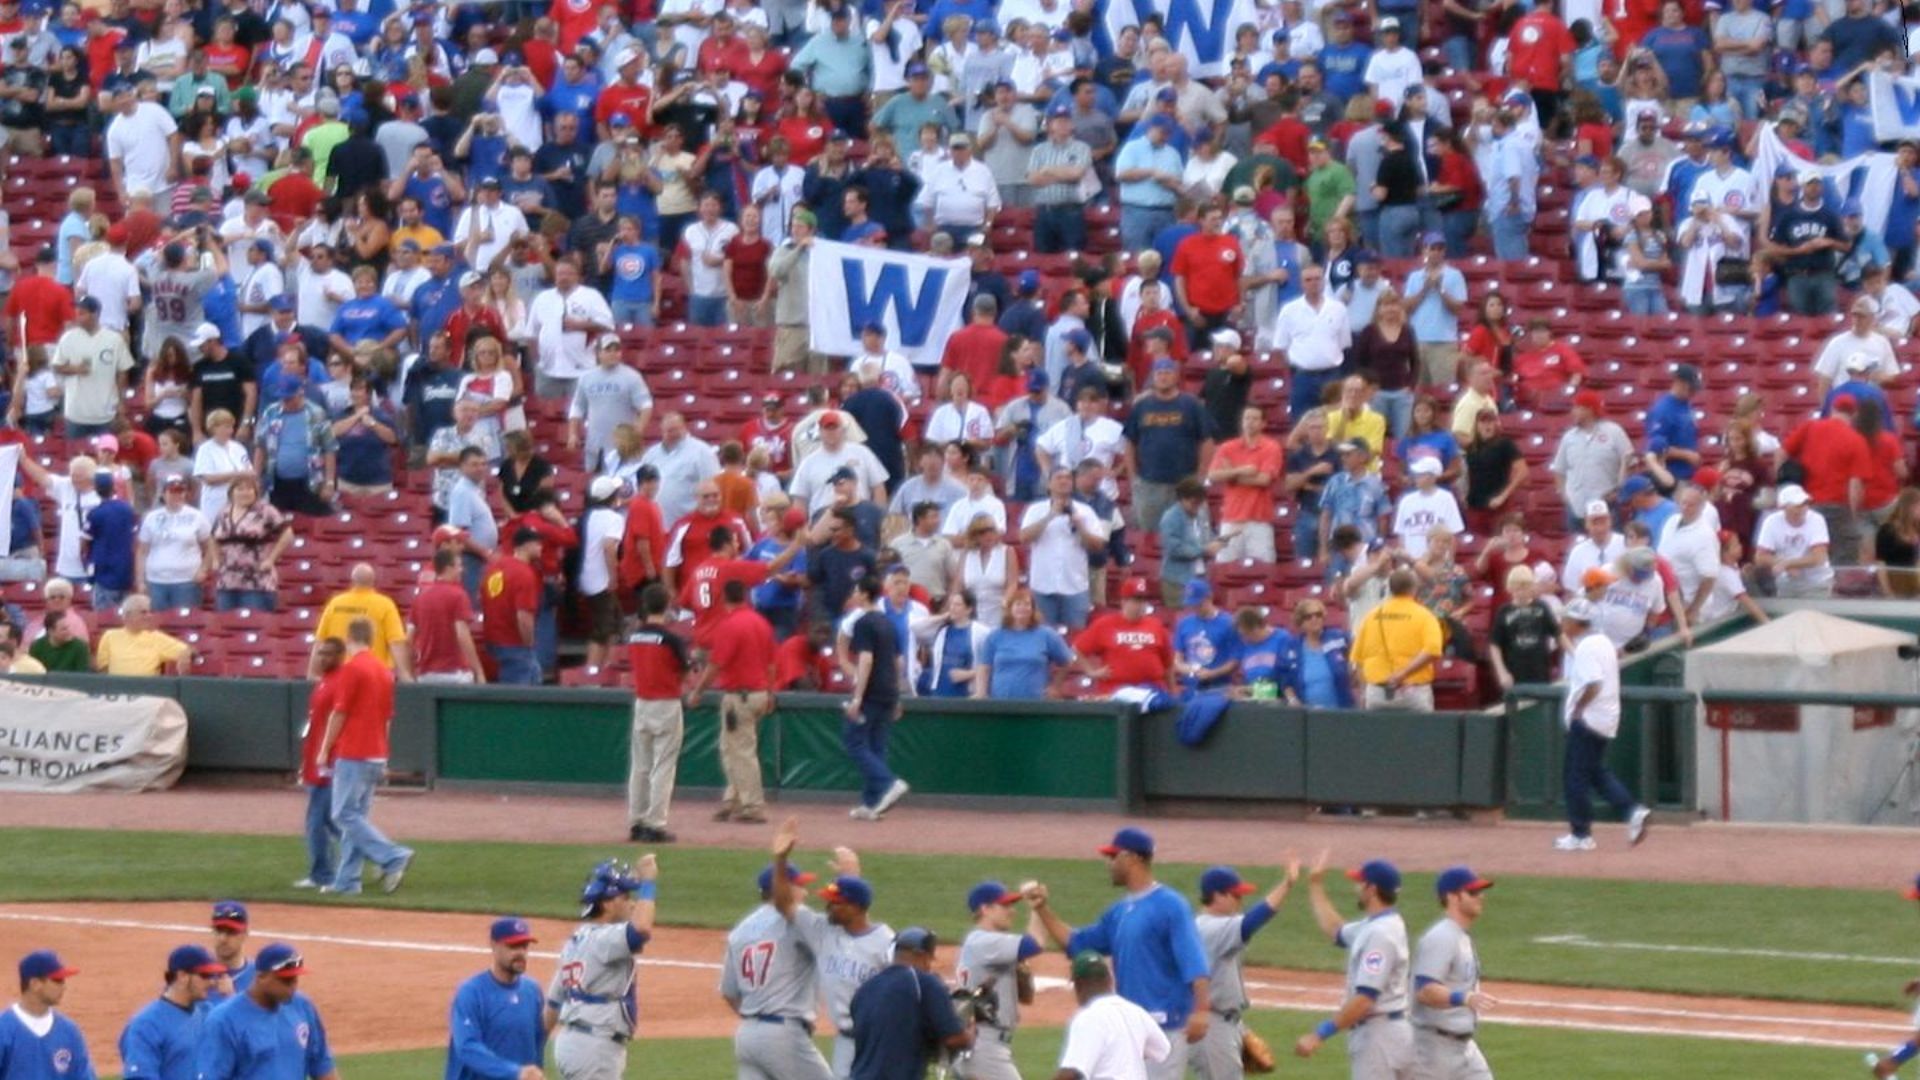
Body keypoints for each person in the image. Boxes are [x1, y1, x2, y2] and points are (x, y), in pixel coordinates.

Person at [1025, 826, 1210, 1080]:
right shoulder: (1119, 912)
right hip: (1130, 1029)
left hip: (1164, 1025)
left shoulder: (1171, 905)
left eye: (1113, 857)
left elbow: (1194, 961)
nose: (1109, 864)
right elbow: (1076, 943)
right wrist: (1043, 909)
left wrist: (1201, 1010)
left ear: (1132, 858)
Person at [722, 820, 833, 1080]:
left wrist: (758, 1017)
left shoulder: (740, 931)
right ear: (785, 888)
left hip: (747, 1035)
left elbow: (729, 992)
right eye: (800, 885)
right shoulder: (794, 922)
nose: (805, 892)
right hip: (783, 1034)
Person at [315, 617, 415, 895]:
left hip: (354, 751)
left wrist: (324, 748)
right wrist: (385, 751)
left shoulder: (352, 669)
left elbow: (340, 712)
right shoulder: (384, 670)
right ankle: (347, 881)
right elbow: (387, 718)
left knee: (343, 814)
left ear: (349, 638)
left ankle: (393, 855)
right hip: (376, 752)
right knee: (355, 818)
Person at [1293, 855, 1411, 1075]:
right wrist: (1315, 886)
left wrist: (1319, 1034)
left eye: (1360, 883)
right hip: (1389, 1033)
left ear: (1371, 888)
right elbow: (1335, 930)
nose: (1356, 888)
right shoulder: (1381, 924)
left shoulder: (1380, 934)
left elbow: (1365, 998)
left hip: (1379, 1039)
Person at [543, 858, 657, 1080]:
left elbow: (554, 1003)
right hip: (594, 1048)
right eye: (625, 897)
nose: (632, 904)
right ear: (607, 903)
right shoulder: (604, 939)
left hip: (574, 1044)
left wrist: (534, 1053)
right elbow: (641, 929)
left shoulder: (575, 942)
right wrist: (648, 883)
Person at [1556, 597, 1653, 853]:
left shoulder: (1588, 645)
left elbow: (1594, 683)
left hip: (1589, 718)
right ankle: (1632, 812)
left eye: (1566, 619)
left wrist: (1578, 709)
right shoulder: (1603, 642)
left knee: (1574, 777)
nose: (1562, 623)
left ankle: (1581, 834)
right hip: (1605, 717)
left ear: (1577, 622)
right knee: (1595, 772)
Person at [1192, 862, 1299, 1078]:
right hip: (1213, 1028)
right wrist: (1286, 885)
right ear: (1217, 896)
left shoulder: (1211, 925)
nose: (1241, 900)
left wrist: (1239, 1029)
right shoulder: (1211, 927)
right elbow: (1254, 920)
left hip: (1223, 1021)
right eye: (1236, 895)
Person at [195, 943, 336, 1080]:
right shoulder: (224, 1020)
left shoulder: (302, 1006)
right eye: (285, 980)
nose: (292, 987)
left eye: (295, 979)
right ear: (261, 977)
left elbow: (322, 1065)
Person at [848, 926, 972, 1080]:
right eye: (929, 960)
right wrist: (970, 1035)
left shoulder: (865, 989)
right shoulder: (925, 983)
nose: (928, 966)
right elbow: (953, 1038)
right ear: (922, 955)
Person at [1411, 867, 1499, 1080]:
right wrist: (1464, 997)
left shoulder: (1460, 936)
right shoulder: (1441, 937)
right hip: (1434, 1051)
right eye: (1473, 892)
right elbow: (1424, 991)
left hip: (1464, 1047)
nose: (1480, 897)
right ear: (1453, 897)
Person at [954, 881, 1042, 1080]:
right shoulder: (984, 942)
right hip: (985, 1046)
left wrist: (1021, 969)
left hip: (983, 1044)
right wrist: (1037, 908)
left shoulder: (983, 944)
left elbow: (1027, 997)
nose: (1011, 911)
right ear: (985, 909)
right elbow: (1036, 943)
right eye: (1005, 906)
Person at [447, 917, 546, 1080]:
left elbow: (536, 1044)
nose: (521, 952)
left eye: (524, 946)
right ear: (493, 945)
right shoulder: (471, 992)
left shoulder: (532, 991)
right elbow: (467, 1047)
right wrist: (515, 1072)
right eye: (513, 946)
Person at [1054, 950, 1173, 1080]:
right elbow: (1162, 1049)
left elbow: (1070, 1073)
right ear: (1110, 980)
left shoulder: (1087, 1018)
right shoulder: (1136, 1011)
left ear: (1078, 985)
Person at [119, 944, 226, 1080]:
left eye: (213, 976)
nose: (212, 982)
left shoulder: (207, 1012)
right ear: (182, 976)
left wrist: (230, 997)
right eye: (205, 975)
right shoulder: (147, 1025)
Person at [1349, 568, 1443, 711]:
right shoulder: (1424, 615)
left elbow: (1358, 660)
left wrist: (1365, 693)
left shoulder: (1372, 616)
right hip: (1414, 693)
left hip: (1378, 693)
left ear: (1390, 589)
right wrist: (1403, 674)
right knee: (1421, 733)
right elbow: (1432, 650)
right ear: (1414, 588)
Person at [294, 638, 345, 891]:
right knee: (331, 823)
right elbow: (313, 730)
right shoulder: (323, 683)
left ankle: (323, 874)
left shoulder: (340, 683)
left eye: (327, 654)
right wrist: (307, 764)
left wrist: (328, 759)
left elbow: (339, 725)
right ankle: (381, 856)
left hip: (329, 765)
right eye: (319, 653)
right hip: (316, 763)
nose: (321, 658)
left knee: (318, 822)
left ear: (340, 655)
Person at [0, 951, 92, 1080]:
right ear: (35, 984)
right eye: (57, 980)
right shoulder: (4, 1028)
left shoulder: (69, 1031)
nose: (64, 987)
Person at [480, 528, 544, 686]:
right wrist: (528, 643)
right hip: (514, 642)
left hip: (494, 640)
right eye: (537, 543)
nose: (540, 547)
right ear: (526, 545)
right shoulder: (524, 574)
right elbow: (524, 615)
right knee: (519, 699)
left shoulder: (495, 568)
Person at [1754, 484, 1835, 599]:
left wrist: (1787, 564)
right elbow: (1760, 557)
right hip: (1786, 583)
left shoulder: (1817, 519)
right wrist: (1786, 565)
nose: (1803, 508)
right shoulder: (1771, 522)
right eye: (1798, 505)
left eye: (1805, 504)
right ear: (1783, 507)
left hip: (1817, 582)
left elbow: (1819, 557)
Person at [1489, 566, 1560, 695]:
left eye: (1525, 587)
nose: (1521, 592)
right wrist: (1502, 673)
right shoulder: (1504, 612)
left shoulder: (1541, 608)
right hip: (1515, 675)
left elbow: (1558, 634)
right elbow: (1495, 645)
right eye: (1517, 588)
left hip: (1540, 673)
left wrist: (1574, 652)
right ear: (1510, 589)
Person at [94, 595, 193, 676]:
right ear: (127, 615)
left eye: (150, 612)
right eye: (143, 612)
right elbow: (102, 669)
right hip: (117, 692)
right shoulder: (110, 636)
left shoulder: (156, 637)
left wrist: (186, 655)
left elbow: (188, 650)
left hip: (147, 692)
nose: (149, 616)